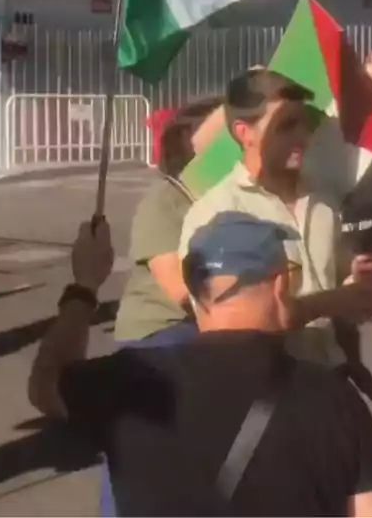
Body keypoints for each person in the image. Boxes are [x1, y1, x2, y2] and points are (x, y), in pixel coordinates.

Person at [27, 212, 372, 516]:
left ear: (194, 291)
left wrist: (85, 287)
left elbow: (45, 381)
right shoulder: (329, 397)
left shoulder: (130, 382)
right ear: (280, 283)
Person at [177, 69, 372, 371]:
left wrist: (357, 284)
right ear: (245, 132)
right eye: (286, 126)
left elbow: (336, 283)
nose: (302, 137)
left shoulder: (324, 199)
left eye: (304, 124)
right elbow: (224, 325)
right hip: (263, 391)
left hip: (331, 379)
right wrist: (337, 299)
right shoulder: (214, 214)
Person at [104, 96, 224, 514]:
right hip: (159, 337)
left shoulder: (230, 200)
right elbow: (180, 291)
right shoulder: (165, 202)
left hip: (210, 335)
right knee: (141, 461)